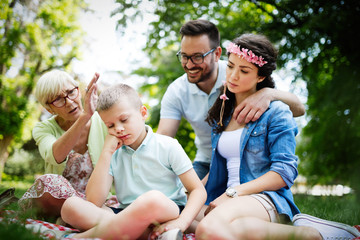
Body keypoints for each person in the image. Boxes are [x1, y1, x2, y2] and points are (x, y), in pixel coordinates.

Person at [194, 33, 360, 240]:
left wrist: (233, 193)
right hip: (228, 198)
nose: (233, 76)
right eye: (230, 66)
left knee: (207, 230)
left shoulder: (276, 112)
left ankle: (305, 232)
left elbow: (284, 172)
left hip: (263, 199)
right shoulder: (223, 113)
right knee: (176, 216)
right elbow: (221, 166)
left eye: (244, 70)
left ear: (261, 77)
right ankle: (305, 234)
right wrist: (194, 191)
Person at [157, 19, 305, 181]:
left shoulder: (240, 72)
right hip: (208, 160)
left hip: (249, 161)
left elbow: (297, 109)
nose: (189, 64)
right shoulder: (177, 91)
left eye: (198, 57)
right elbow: (163, 139)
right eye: (184, 56)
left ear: (217, 54)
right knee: (179, 199)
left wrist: (268, 93)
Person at [60, 83, 206, 240]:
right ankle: (144, 232)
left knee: (152, 199)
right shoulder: (113, 153)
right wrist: (106, 153)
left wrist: (183, 222)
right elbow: (94, 201)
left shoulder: (167, 145)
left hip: (165, 209)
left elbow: (197, 190)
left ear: (143, 113)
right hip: (125, 212)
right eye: (110, 125)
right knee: (70, 206)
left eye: (124, 120)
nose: (118, 129)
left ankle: (83, 237)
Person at [18, 70, 110, 219]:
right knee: (48, 182)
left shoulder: (103, 120)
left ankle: (77, 219)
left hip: (94, 201)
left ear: (79, 91)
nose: (69, 102)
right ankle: (75, 218)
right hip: (59, 203)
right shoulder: (43, 128)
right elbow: (55, 156)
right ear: (49, 109)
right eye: (58, 100)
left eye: (70, 92)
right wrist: (84, 116)